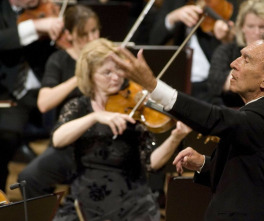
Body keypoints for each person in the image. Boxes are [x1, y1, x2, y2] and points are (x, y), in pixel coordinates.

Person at [109, 32, 264, 220]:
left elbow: (216, 118)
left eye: (246, 60)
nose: (233, 63)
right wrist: (204, 164)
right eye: (240, 55)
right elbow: (247, 175)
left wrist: (153, 86)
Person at [51, 38, 191, 221]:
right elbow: (58, 139)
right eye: (107, 72)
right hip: (86, 200)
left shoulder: (136, 106)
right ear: (90, 76)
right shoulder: (79, 107)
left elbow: (152, 163)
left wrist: (175, 137)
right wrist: (94, 117)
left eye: (119, 70)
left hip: (131, 204)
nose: (116, 77)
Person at [18, 4, 101, 198]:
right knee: (27, 178)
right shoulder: (59, 60)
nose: (92, 39)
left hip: (101, 140)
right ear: (69, 34)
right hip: (68, 140)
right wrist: (78, 77)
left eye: (95, 31)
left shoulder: (106, 58)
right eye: (83, 34)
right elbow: (44, 103)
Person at [0, 0, 63, 192]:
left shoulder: (50, 8)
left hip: (48, 90)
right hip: (12, 95)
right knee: (4, 138)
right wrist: (35, 26)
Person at [148, 0, 239, 101]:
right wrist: (172, 18)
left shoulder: (229, 4)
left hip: (210, 85)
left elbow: (239, 45)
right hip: (177, 80)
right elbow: (154, 39)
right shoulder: (174, 2)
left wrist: (226, 39)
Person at [207, 0, 264, 108]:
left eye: (262, 27)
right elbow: (215, 84)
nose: (256, 32)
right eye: (251, 26)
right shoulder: (226, 50)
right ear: (242, 27)